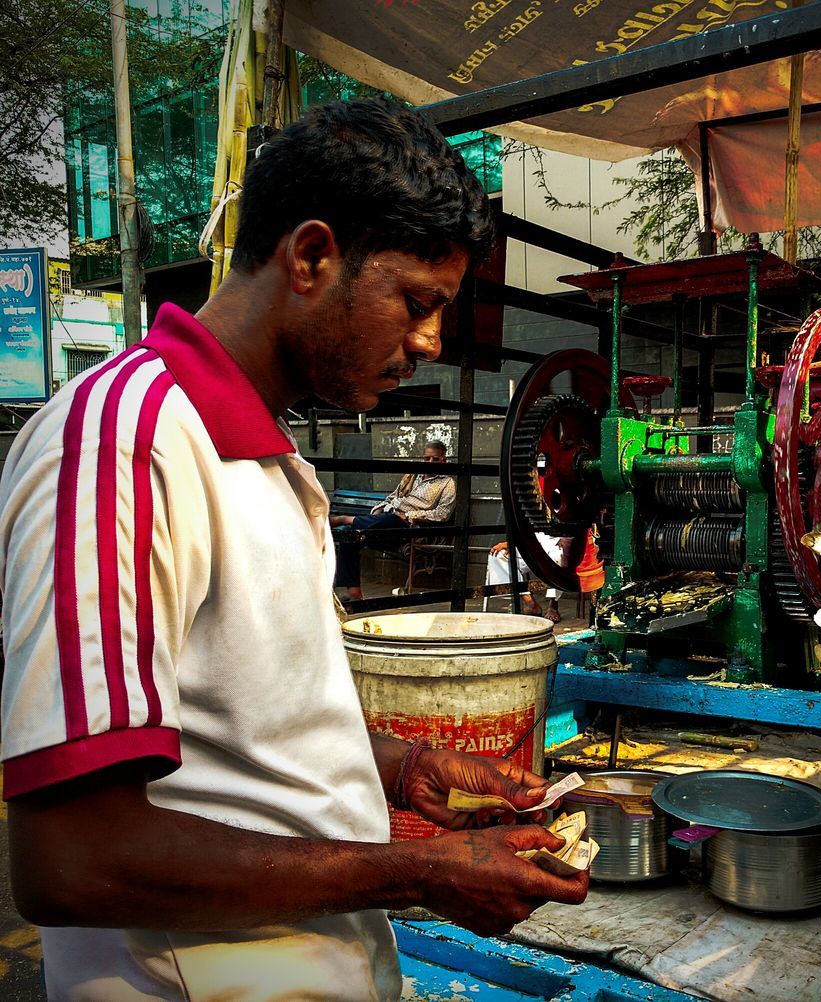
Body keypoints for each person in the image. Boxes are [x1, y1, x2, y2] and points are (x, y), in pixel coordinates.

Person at [0, 97, 587, 1002]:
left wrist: (404, 767)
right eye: (420, 303)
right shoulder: (123, 443)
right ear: (311, 256)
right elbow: (75, 858)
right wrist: (419, 872)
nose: (428, 343)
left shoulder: (268, 461)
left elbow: (243, 734)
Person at [332, 439, 456, 601]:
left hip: (413, 528)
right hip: (388, 522)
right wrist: (377, 511)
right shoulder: (412, 477)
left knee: (391, 519)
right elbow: (391, 498)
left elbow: (442, 514)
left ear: (443, 460)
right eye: (427, 458)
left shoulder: (447, 483)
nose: (430, 462)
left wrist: (408, 516)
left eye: (435, 459)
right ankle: (354, 592)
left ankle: (345, 519)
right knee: (350, 534)